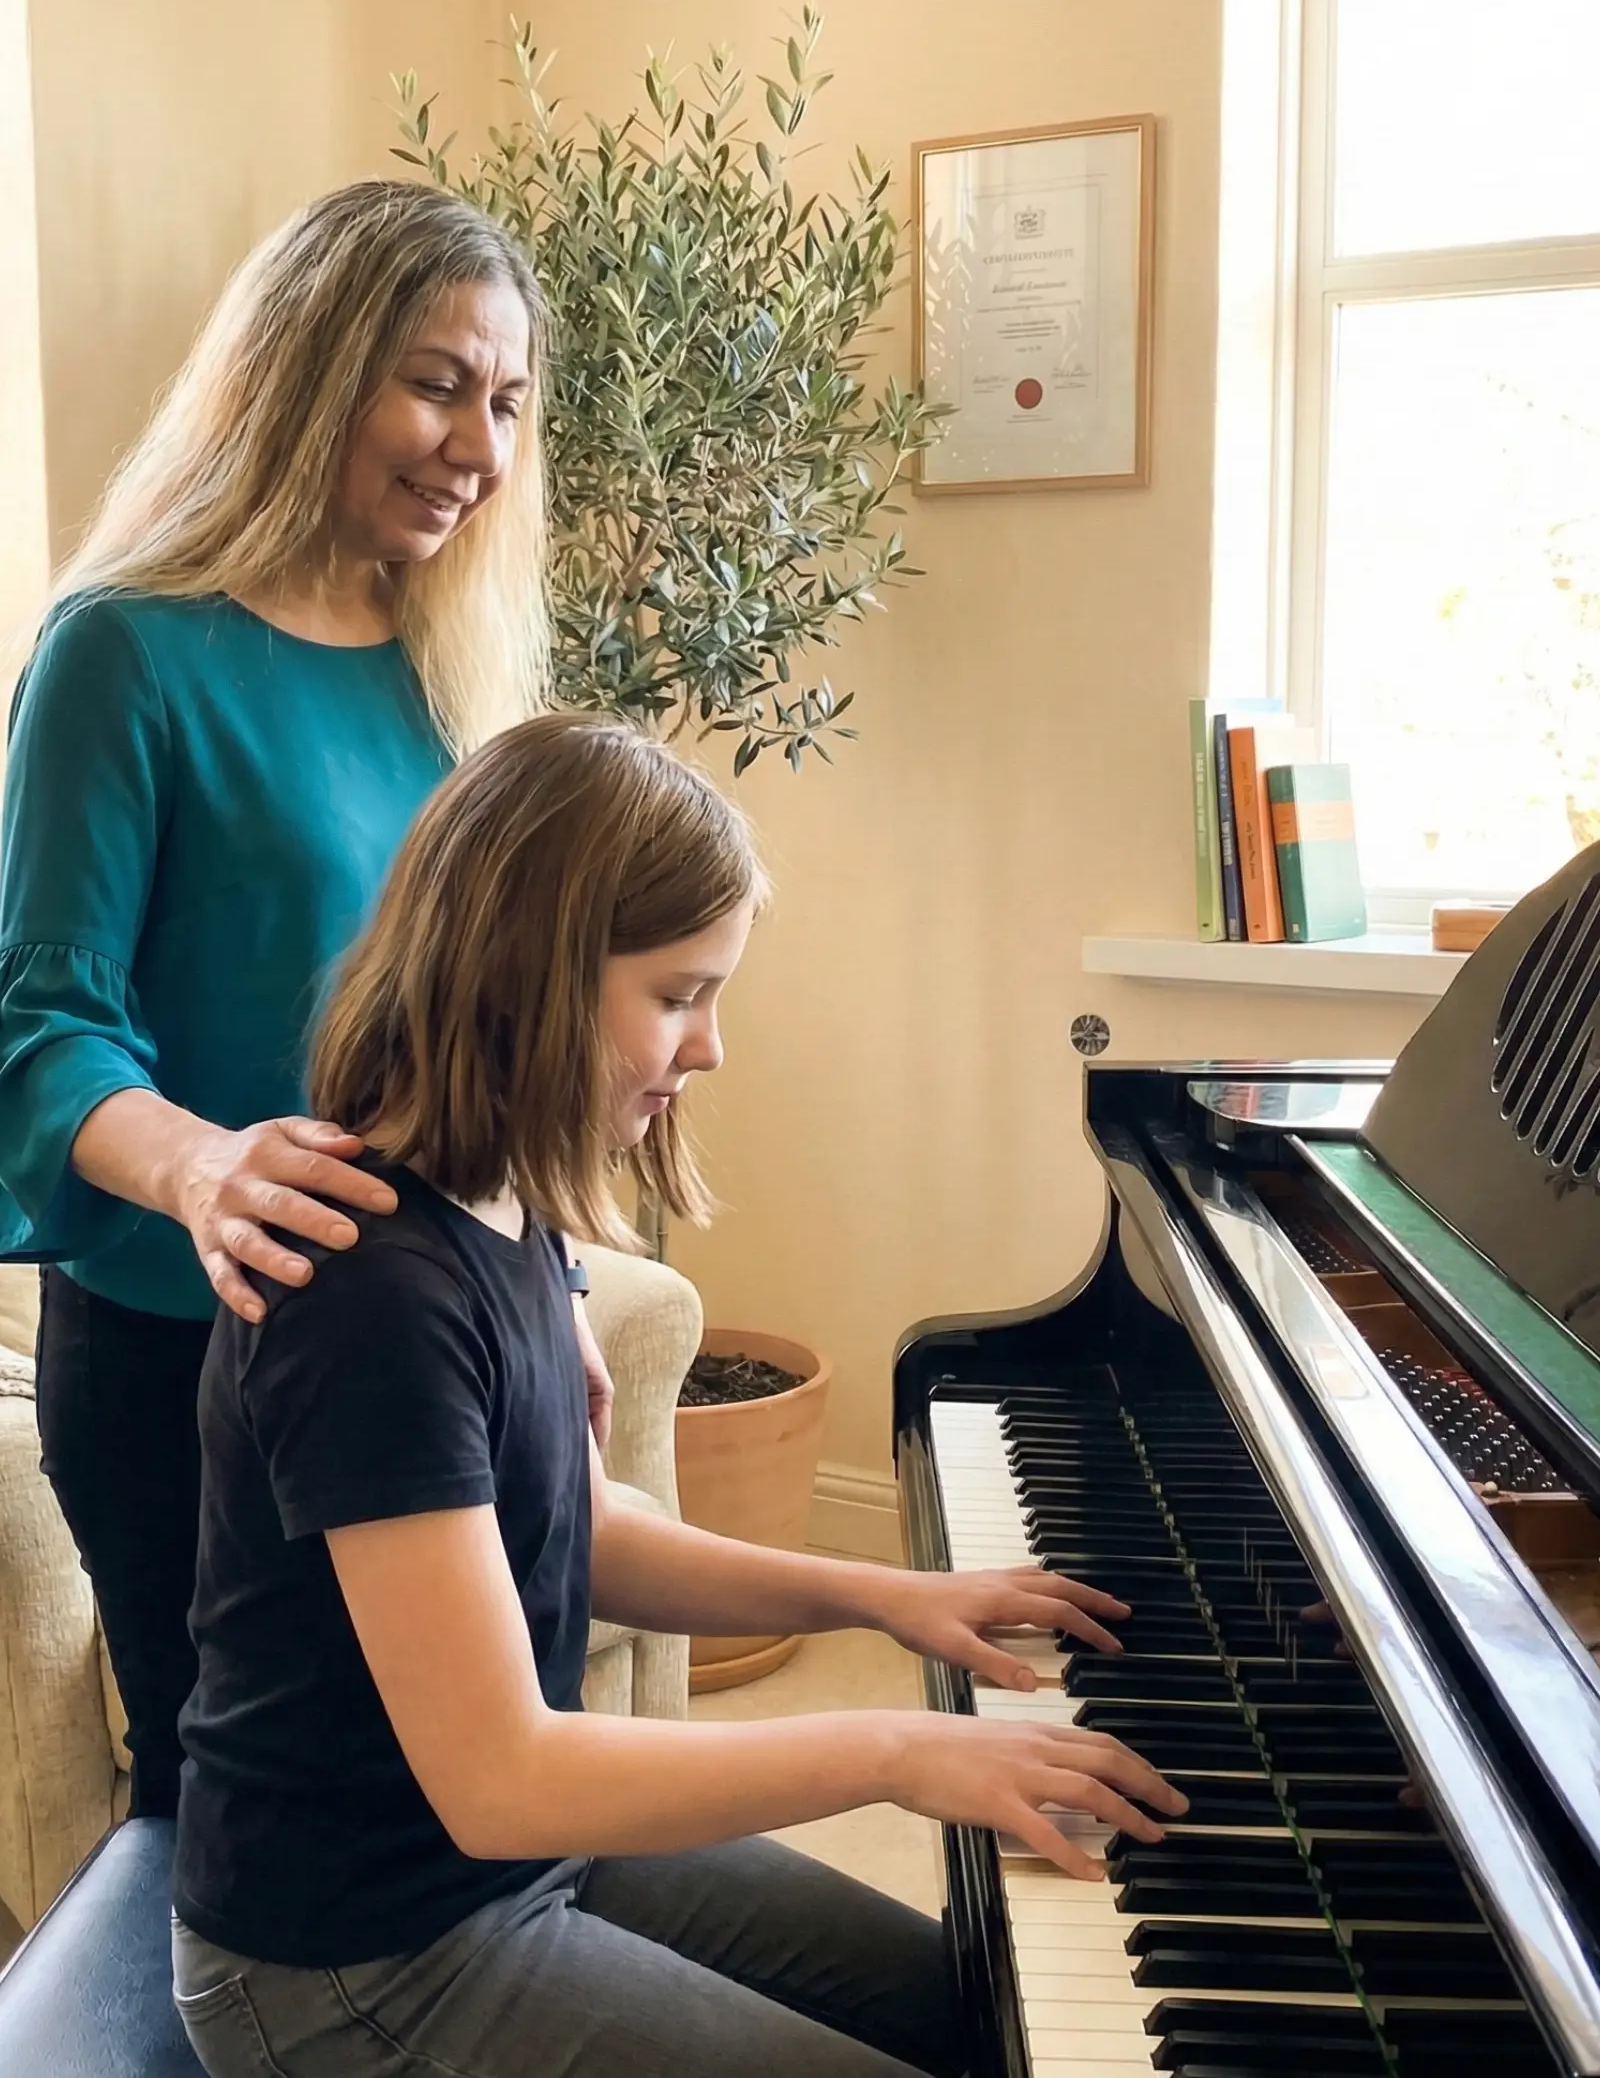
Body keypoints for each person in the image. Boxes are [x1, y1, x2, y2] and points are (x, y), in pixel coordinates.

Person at [169, 711, 1185, 2078]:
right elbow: (501, 1777)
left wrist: (883, 1598)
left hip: (516, 1866)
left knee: (980, 2022)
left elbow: (585, 1533)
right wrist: (891, 1750)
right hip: (356, 1962)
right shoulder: (367, 1296)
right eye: (677, 994)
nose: (707, 1049)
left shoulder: (501, 1206)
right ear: (524, 978)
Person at [0, 178, 614, 1820]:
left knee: (452, 1809)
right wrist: (208, 1169)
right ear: (304, 367)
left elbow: (473, 1040)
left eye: (506, 401)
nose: (475, 445)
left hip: (416, 1336)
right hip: (179, 1354)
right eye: (433, 381)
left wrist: (542, 1279)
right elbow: (40, 1029)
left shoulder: (447, 667)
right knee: (248, 1829)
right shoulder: (123, 653)